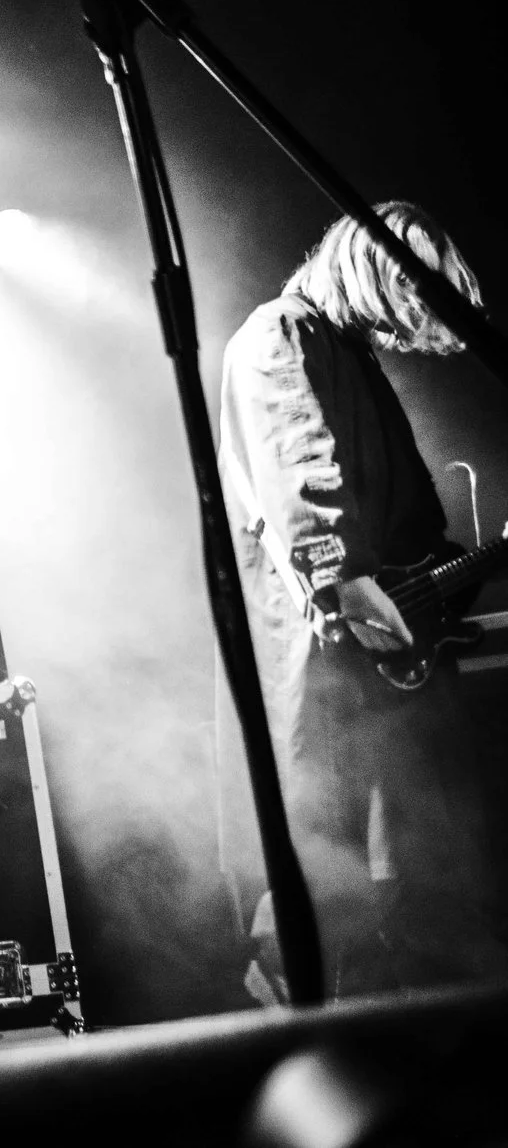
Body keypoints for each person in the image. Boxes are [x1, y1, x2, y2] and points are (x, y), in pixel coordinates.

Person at [216, 201, 507, 997]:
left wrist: (469, 567)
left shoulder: (349, 358)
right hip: (326, 686)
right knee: (328, 917)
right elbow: (305, 485)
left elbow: (412, 542)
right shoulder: (281, 332)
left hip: (378, 693)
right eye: (407, 294)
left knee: (412, 917)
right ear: (368, 265)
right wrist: (342, 578)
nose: (407, 324)